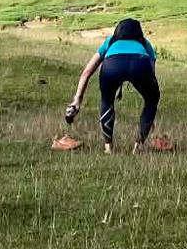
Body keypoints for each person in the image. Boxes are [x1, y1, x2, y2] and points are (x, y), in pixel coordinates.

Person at [67, 17, 161, 155]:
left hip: (112, 65)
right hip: (140, 64)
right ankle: (138, 146)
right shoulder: (145, 43)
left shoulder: (111, 41)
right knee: (152, 98)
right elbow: (152, 74)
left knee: (107, 100)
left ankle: (108, 147)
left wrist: (77, 100)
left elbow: (87, 72)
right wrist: (149, 115)